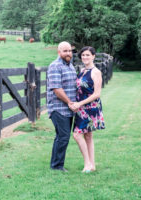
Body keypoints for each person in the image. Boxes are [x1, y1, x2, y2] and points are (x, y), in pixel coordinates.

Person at [71, 46, 105, 173]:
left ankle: (87, 164)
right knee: (88, 136)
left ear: (93, 56)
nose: (85, 57)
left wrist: (79, 103)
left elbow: (97, 94)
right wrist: (75, 104)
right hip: (81, 107)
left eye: (87, 55)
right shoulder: (83, 70)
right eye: (83, 55)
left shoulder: (96, 72)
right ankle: (92, 165)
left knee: (77, 134)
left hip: (90, 107)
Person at [47, 41, 77, 172]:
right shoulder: (55, 66)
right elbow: (57, 89)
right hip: (58, 108)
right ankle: (57, 166)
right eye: (65, 51)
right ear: (59, 52)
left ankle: (56, 164)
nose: (68, 53)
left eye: (69, 50)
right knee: (63, 136)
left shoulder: (70, 66)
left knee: (62, 136)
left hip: (69, 108)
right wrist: (70, 102)